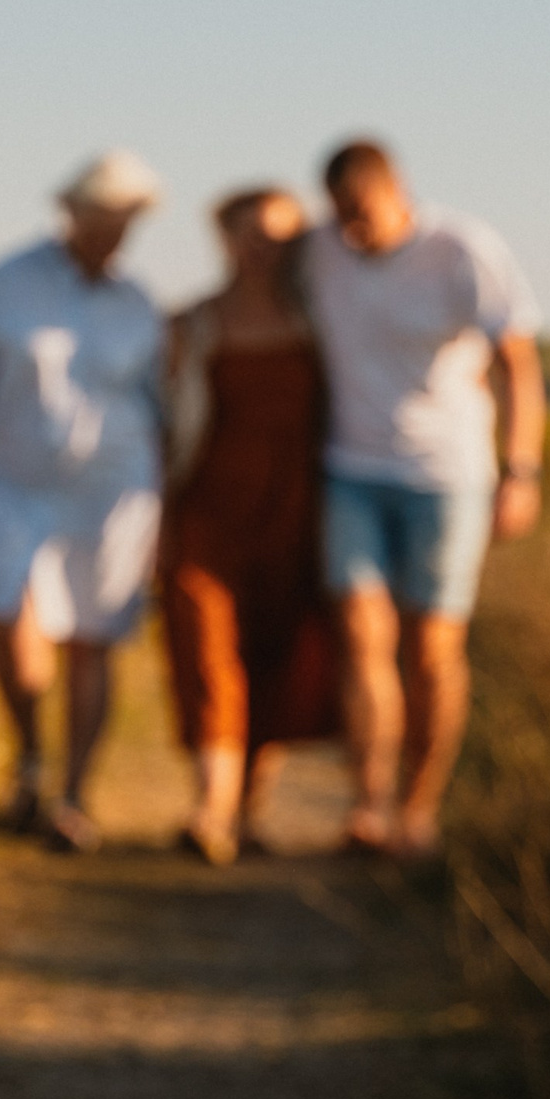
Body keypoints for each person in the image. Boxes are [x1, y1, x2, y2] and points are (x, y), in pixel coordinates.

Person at [302, 138, 544, 856]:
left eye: (364, 213)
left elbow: (518, 364)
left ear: (396, 190)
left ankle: (419, 807)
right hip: (351, 470)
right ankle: (368, 803)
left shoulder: (463, 249)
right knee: (361, 634)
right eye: (341, 217)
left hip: (448, 475)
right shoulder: (322, 250)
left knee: (433, 648)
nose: (355, 231)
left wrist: (520, 471)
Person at [0, 149, 165, 850]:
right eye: (102, 215)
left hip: (112, 492)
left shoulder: (138, 304)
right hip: (7, 481)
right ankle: (30, 757)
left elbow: (164, 407)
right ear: (72, 212)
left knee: (93, 639)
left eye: (125, 220)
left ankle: (73, 794)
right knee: (14, 616)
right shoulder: (10, 282)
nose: (112, 230)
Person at [157, 187, 339, 863]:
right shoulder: (192, 324)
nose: (264, 249)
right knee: (203, 646)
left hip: (294, 510)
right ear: (224, 237)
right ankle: (209, 805)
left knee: (275, 651)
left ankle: (249, 808)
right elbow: (164, 426)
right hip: (208, 506)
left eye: (280, 237)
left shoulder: (319, 324)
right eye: (251, 233)